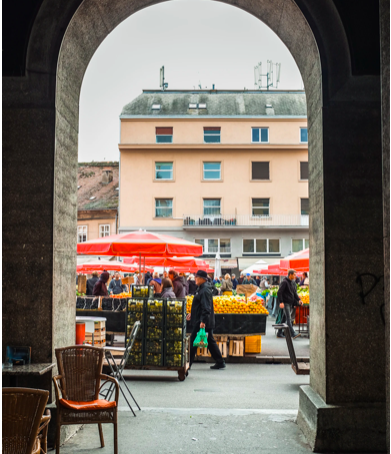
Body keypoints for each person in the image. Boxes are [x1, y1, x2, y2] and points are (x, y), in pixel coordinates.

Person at [187, 270, 226, 370]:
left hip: (202, 321)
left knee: (193, 342)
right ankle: (220, 361)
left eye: (196, 277)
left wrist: (203, 321)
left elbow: (206, 307)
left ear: (202, 279)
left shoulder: (204, 290)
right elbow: (200, 305)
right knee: (210, 341)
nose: (195, 279)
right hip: (201, 319)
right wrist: (192, 313)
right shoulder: (201, 288)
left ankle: (188, 363)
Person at [276, 269, 303, 339]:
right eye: (294, 274)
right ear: (290, 274)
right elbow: (279, 292)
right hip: (285, 302)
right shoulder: (284, 282)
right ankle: (293, 333)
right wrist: (281, 302)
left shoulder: (293, 282)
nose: (295, 276)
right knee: (288, 318)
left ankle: (279, 332)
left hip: (290, 302)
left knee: (284, 318)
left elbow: (294, 293)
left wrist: (299, 300)